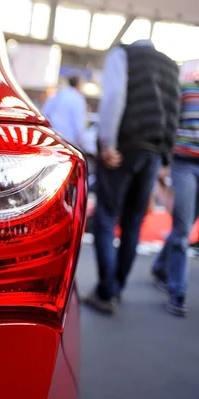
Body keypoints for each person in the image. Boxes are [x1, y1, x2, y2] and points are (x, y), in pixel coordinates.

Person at [84, 40, 180, 314]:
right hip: (153, 151)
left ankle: (105, 292)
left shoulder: (122, 53)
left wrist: (108, 142)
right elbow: (173, 112)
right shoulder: (170, 65)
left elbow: (115, 96)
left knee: (104, 216)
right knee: (133, 223)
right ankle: (116, 288)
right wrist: (165, 158)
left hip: (125, 146)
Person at [151, 81, 199, 317]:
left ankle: (160, 266)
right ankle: (177, 292)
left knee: (186, 225)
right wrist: (163, 162)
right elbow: (169, 123)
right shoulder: (186, 90)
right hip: (184, 165)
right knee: (182, 230)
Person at [42, 75, 87, 148]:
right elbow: (78, 124)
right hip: (68, 140)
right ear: (78, 85)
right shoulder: (78, 99)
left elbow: (45, 113)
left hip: (52, 135)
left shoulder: (57, 93)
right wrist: (81, 142)